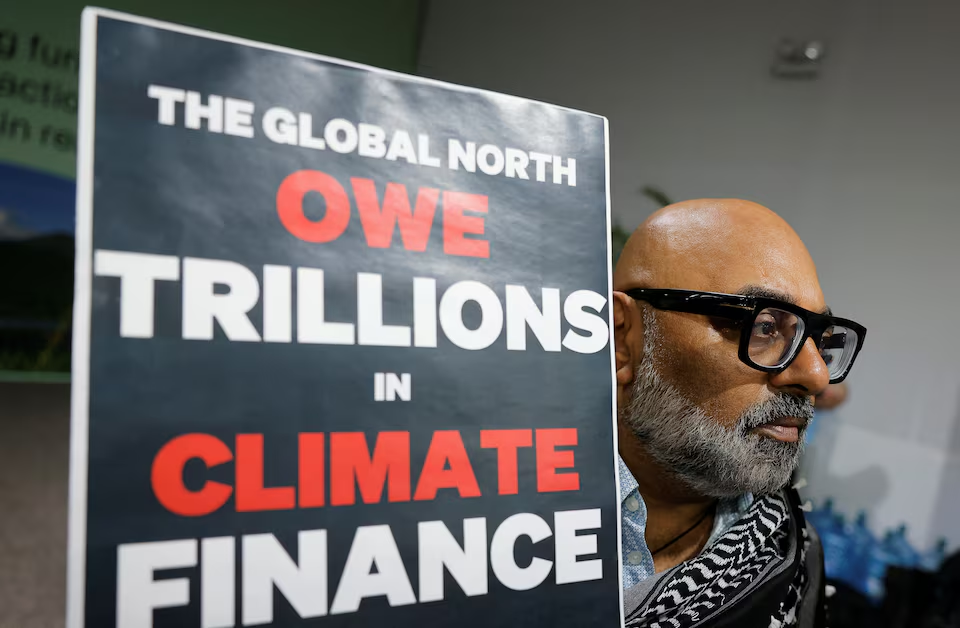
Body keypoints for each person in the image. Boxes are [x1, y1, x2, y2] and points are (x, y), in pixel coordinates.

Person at [612, 199, 867, 627]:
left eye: (818, 338)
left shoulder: (793, 556)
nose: (818, 376)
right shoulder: (490, 532)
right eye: (765, 326)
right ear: (623, 339)